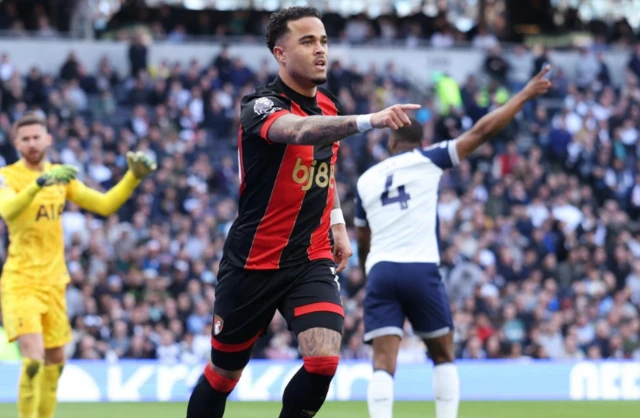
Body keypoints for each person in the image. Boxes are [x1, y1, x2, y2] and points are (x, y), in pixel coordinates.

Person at [186, 6, 419, 418]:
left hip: (308, 257)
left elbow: (323, 172)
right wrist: (369, 120)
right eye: (308, 41)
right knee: (223, 375)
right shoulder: (258, 106)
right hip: (253, 261)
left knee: (324, 360)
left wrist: (338, 224)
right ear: (280, 53)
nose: (320, 50)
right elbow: (297, 131)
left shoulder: (328, 105)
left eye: (324, 41)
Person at [355, 66, 552, 418]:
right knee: (443, 354)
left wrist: (370, 275)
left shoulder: (367, 179)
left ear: (390, 141)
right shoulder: (429, 160)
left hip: (382, 270)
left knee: (383, 363)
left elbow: (363, 239)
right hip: (420, 268)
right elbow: (481, 131)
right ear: (421, 141)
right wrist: (522, 95)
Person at [0, 112, 156, 418]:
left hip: (54, 283)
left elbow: (104, 204)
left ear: (48, 139)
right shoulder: (8, 177)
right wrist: (38, 184)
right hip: (20, 281)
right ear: (16, 143)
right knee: (32, 361)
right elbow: (8, 210)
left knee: (55, 363)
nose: (32, 143)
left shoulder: (62, 176)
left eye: (36, 137)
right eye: (25, 138)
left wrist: (132, 177)